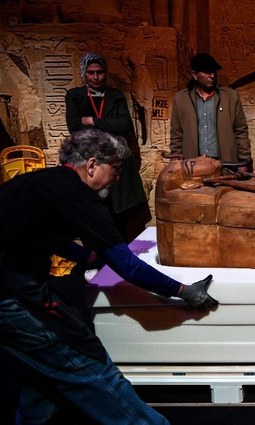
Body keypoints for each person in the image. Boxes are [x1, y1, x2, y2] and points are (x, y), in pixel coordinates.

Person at [0, 129, 218, 424]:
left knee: (40, 375)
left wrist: (86, 257)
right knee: (84, 360)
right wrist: (183, 290)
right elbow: (127, 266)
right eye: (115, 169)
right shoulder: (78, 196)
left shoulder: (39, 181)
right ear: (91, 166)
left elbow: (40, 233)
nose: (117, 179)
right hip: (11, 294)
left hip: (10, 283)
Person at [66, 52, 151, 243]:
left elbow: (124, 125)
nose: (96, 77)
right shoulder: (75, 96)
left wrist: (92, 120)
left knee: (122, 212)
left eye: (100, 72)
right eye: (91, 73)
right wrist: (106, 124)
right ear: (84, 74)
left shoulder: (115, 96)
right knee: (95, 212)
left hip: (116, 160)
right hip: (91, 160)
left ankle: (124, 256)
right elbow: (75, 127)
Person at [168, 52, 252, 172]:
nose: (212, 75)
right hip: (194, 166)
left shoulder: (230, 97)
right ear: (195, 75)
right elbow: (176, 134)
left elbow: (241, 131)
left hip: (225, 164)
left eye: (214, 71)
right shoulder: (181, 99)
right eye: (207, 72)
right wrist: (176, 162)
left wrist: (244, 162)